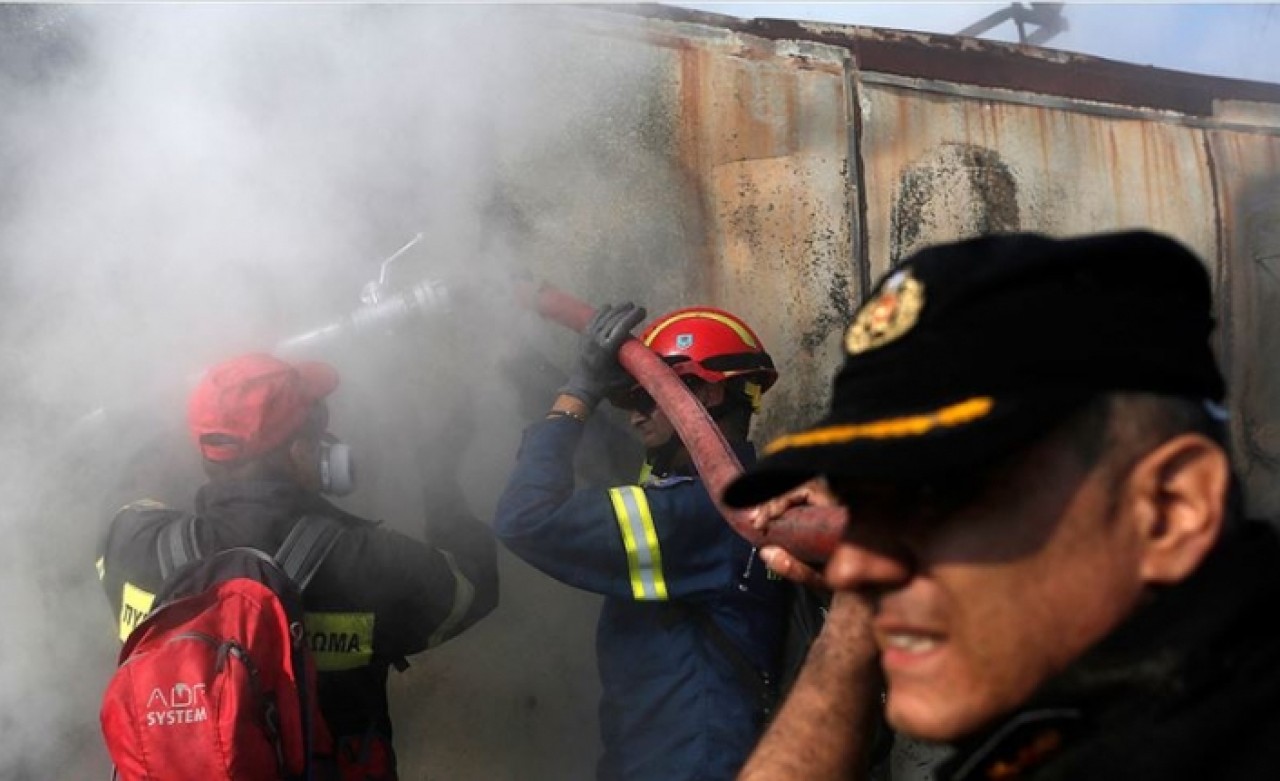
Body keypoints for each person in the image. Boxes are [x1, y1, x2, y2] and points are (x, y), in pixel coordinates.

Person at [724, 230, 1280, 781]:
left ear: (1169, 508)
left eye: (934, 500)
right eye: (861, 507)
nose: (853, 565)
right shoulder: (1092, 721)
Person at [97, 352, 498, 780]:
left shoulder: (132, 545)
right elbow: (474, 585)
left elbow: (129, 497)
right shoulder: (366, 562)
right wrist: (437, 471)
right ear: (303, 452)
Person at [494, 303, 790, 780]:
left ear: (707, 392)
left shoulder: (699, 514)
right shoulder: (740, 499)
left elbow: (526, 518)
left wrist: (578, 393)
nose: (635, 418)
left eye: (645, 397)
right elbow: (624, 465)